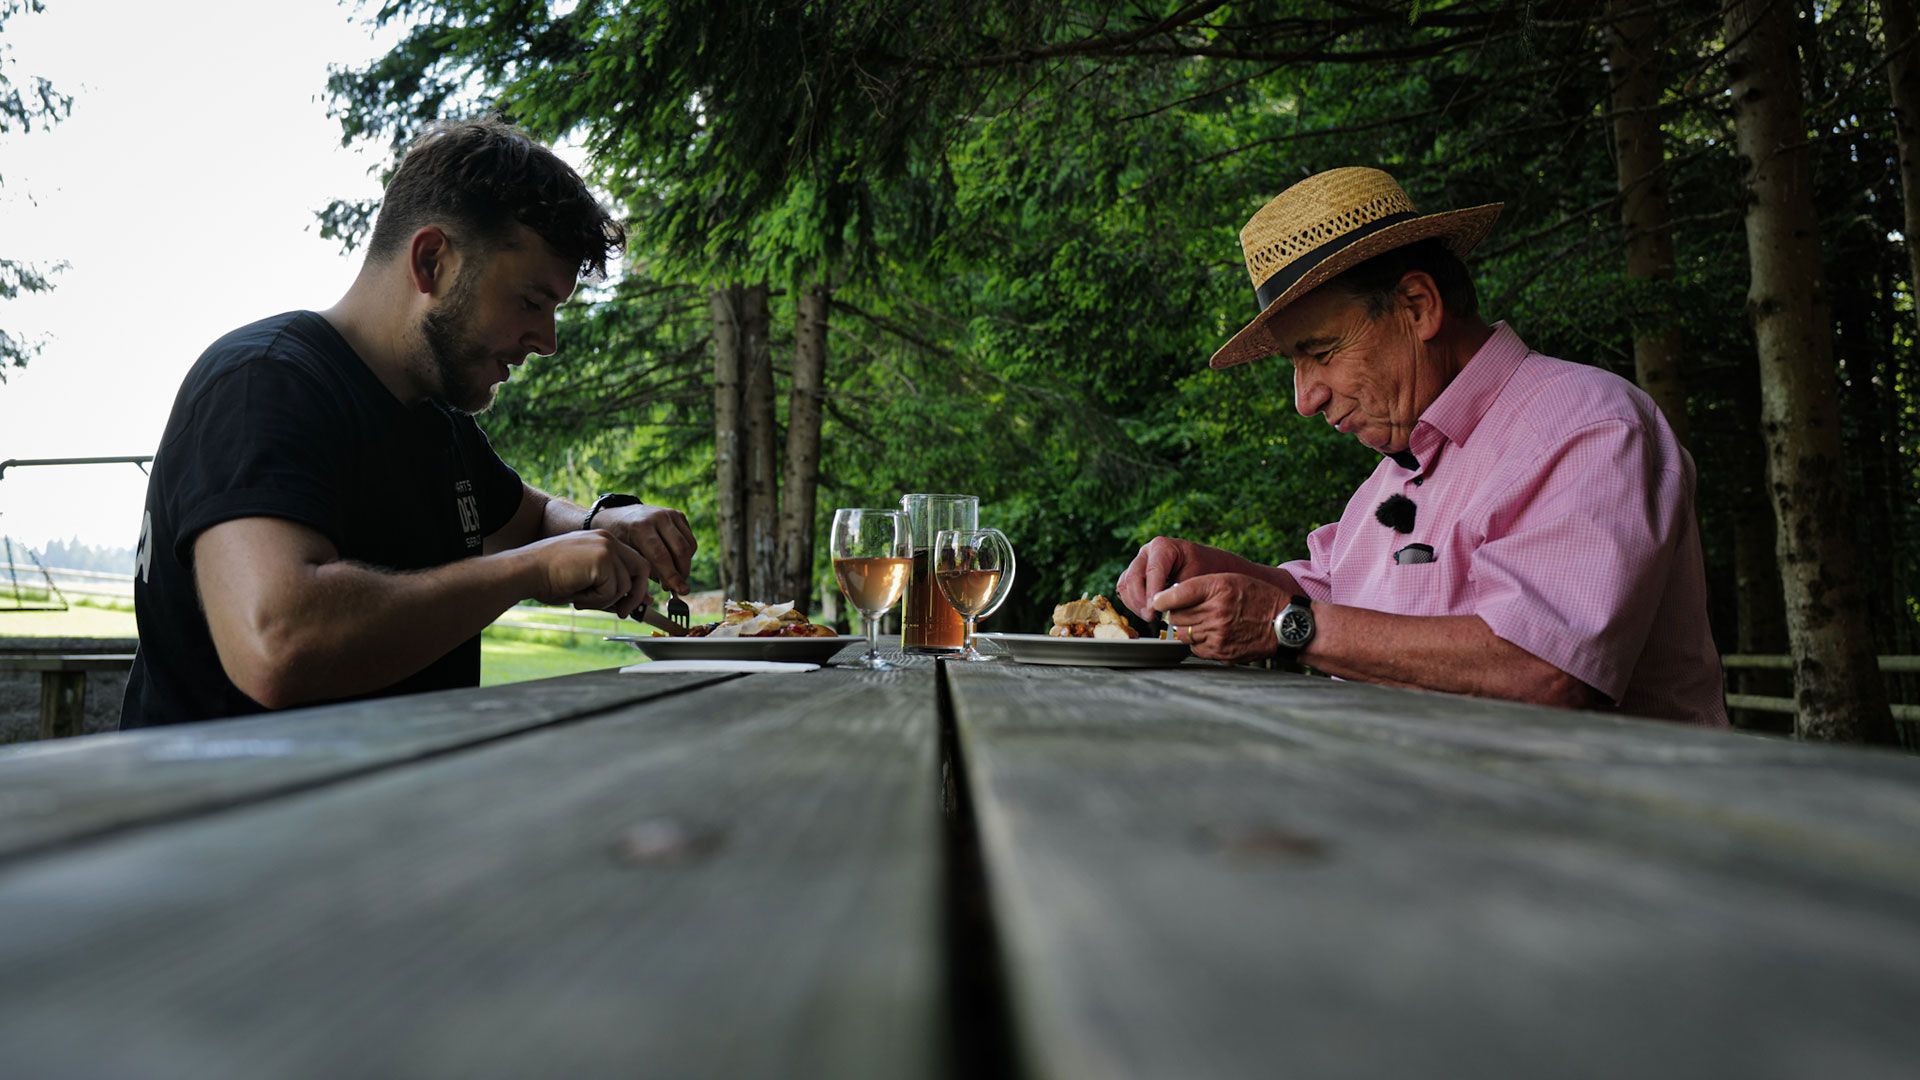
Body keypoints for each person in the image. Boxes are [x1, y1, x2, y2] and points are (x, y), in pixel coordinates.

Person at [122, 117, 695, 728]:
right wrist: (535, 570)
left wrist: (600, 524)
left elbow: (527, 520)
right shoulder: (262, 382)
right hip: (226, 813)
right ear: (431, 262)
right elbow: (279, 645)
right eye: (531, 302)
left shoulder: (433, 418)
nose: (547, 341)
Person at [1117, 167, 1726, 725]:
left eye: (1321, 352)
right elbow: (1328, 599)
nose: (1304, 399)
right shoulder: (1394, 476)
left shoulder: (1586, 425)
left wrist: (1283, 625)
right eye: (1293, 362)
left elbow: (1547, 668)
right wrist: (1211, 570)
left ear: (1417, 306)